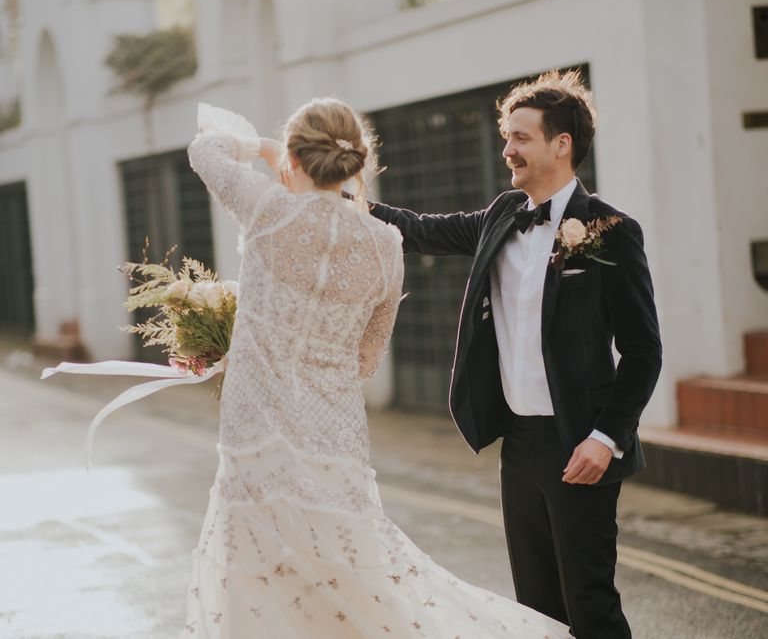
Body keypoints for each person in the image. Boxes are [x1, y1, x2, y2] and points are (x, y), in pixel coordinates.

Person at [183, 97, 570, 637]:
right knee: (349, 583)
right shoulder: (387, 244)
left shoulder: (268, 210)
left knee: (263, 584)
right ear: (357, 162)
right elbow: (367, 357)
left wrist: (264, 149)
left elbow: (205, 148)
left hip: (255, 439)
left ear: (296, 156)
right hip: (333, 439)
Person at [369, 71, 663, 639]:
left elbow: (644, 350)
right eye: (507, 137)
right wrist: (338, 200)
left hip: (579, 443)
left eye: (520, 137)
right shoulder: (501, 215)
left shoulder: (612, 231)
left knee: (590, 604)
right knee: (535, 609)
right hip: (519, 443)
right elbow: (419, 230)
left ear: (562, 143)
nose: (507, 150)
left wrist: (606, 439)